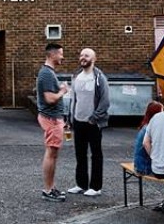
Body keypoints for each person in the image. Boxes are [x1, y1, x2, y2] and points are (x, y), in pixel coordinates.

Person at [66, 47, 110, 197]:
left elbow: (105, 101)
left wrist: (94, 118)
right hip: (78, 121)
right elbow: (74, 99)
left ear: (94, 59)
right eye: (81, 55)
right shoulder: (76, 76)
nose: (83, 57)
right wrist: (70, 118)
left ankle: (96, 187)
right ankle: (81, 184)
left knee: (96, 154)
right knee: (80, 154)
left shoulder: (99, 78)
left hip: (93, 123)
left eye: (87, 55)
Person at [36, 42, 70, 202]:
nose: (62, 57)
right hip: (51, 119)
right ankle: (48, 190)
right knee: (51, 154)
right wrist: (63, 90)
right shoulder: (46, 74)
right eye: (61, 54)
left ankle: (51, 187)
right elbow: (50, 99)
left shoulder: (48, 72)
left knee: (53, 154)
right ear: (52, 54)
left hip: (53, 119)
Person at [133, 101, 163, 175]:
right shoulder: (149, 128)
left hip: (139, 163)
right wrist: (156, 159)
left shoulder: (146, 125)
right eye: (162, 112)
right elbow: (146, 144)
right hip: (145, 166)